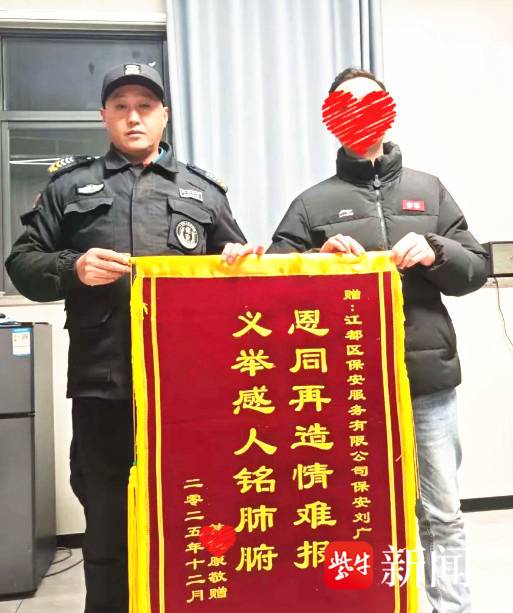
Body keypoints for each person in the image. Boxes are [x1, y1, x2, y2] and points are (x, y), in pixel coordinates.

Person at [224, 67, 487, 612]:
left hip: (426, 381)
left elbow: (475, 269)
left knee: (442, 514)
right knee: (355, 512)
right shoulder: (311, 204)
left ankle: (452, 606)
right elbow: (274, 290)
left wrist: (436, 249)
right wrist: (316, 263)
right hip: (344, 389)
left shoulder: (429, 190)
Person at [5, 63, 252, 613]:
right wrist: (73, 267)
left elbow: (243, 281)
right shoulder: (69, 188)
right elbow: (22, 264)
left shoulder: (203, 192)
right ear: (104, 117)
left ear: (165, 115)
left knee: (196, 517)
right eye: (121, 106)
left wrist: (238, 261)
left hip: (190, 392)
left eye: (145, 106)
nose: (133, 117)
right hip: (104, 386)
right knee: (107, 526)